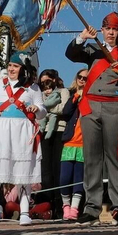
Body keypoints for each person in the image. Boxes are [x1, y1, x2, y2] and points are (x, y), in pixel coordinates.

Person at [64, 13, 118, 225]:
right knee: (92, 158)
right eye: (107, 29)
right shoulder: (93, 50)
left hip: (114, 106)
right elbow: (71, 54)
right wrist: (82, 37)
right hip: (90, 106)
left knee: (114, 157)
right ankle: (92, 207)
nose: (110, 33)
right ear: (101, 30)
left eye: (114, 30)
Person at [0, 55, 44, 225]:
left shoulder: (33, 88)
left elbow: (43, 111)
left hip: (22, 132)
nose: (11, 69)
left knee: (22, 173)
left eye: (16, 66)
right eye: (10, 65)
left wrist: (37, 108)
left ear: (24, 69)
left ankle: (24, 213)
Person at [38, 68, 68, 218]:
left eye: (47, 81)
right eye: (42, 83)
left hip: (59, 131)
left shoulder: (63, 92)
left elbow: (64, 109)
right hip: (44, 132)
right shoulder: (40, 94)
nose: (45, 85)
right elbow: (37, 112)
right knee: (46, 171)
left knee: (58, 168)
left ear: (54, 80)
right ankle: (47, 204)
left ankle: (59, 205)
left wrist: (46, 107)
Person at [56, 73, 86, 220]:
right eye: (80, 77)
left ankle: (74, 208)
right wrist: (75, 98)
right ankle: (66, 206)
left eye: (85, 78)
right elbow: (66, 112)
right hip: (69, 142)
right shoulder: (72, 95)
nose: (82, 80)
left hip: (84, 144)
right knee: (64, 177)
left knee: (79, 178)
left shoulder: (91, 97)